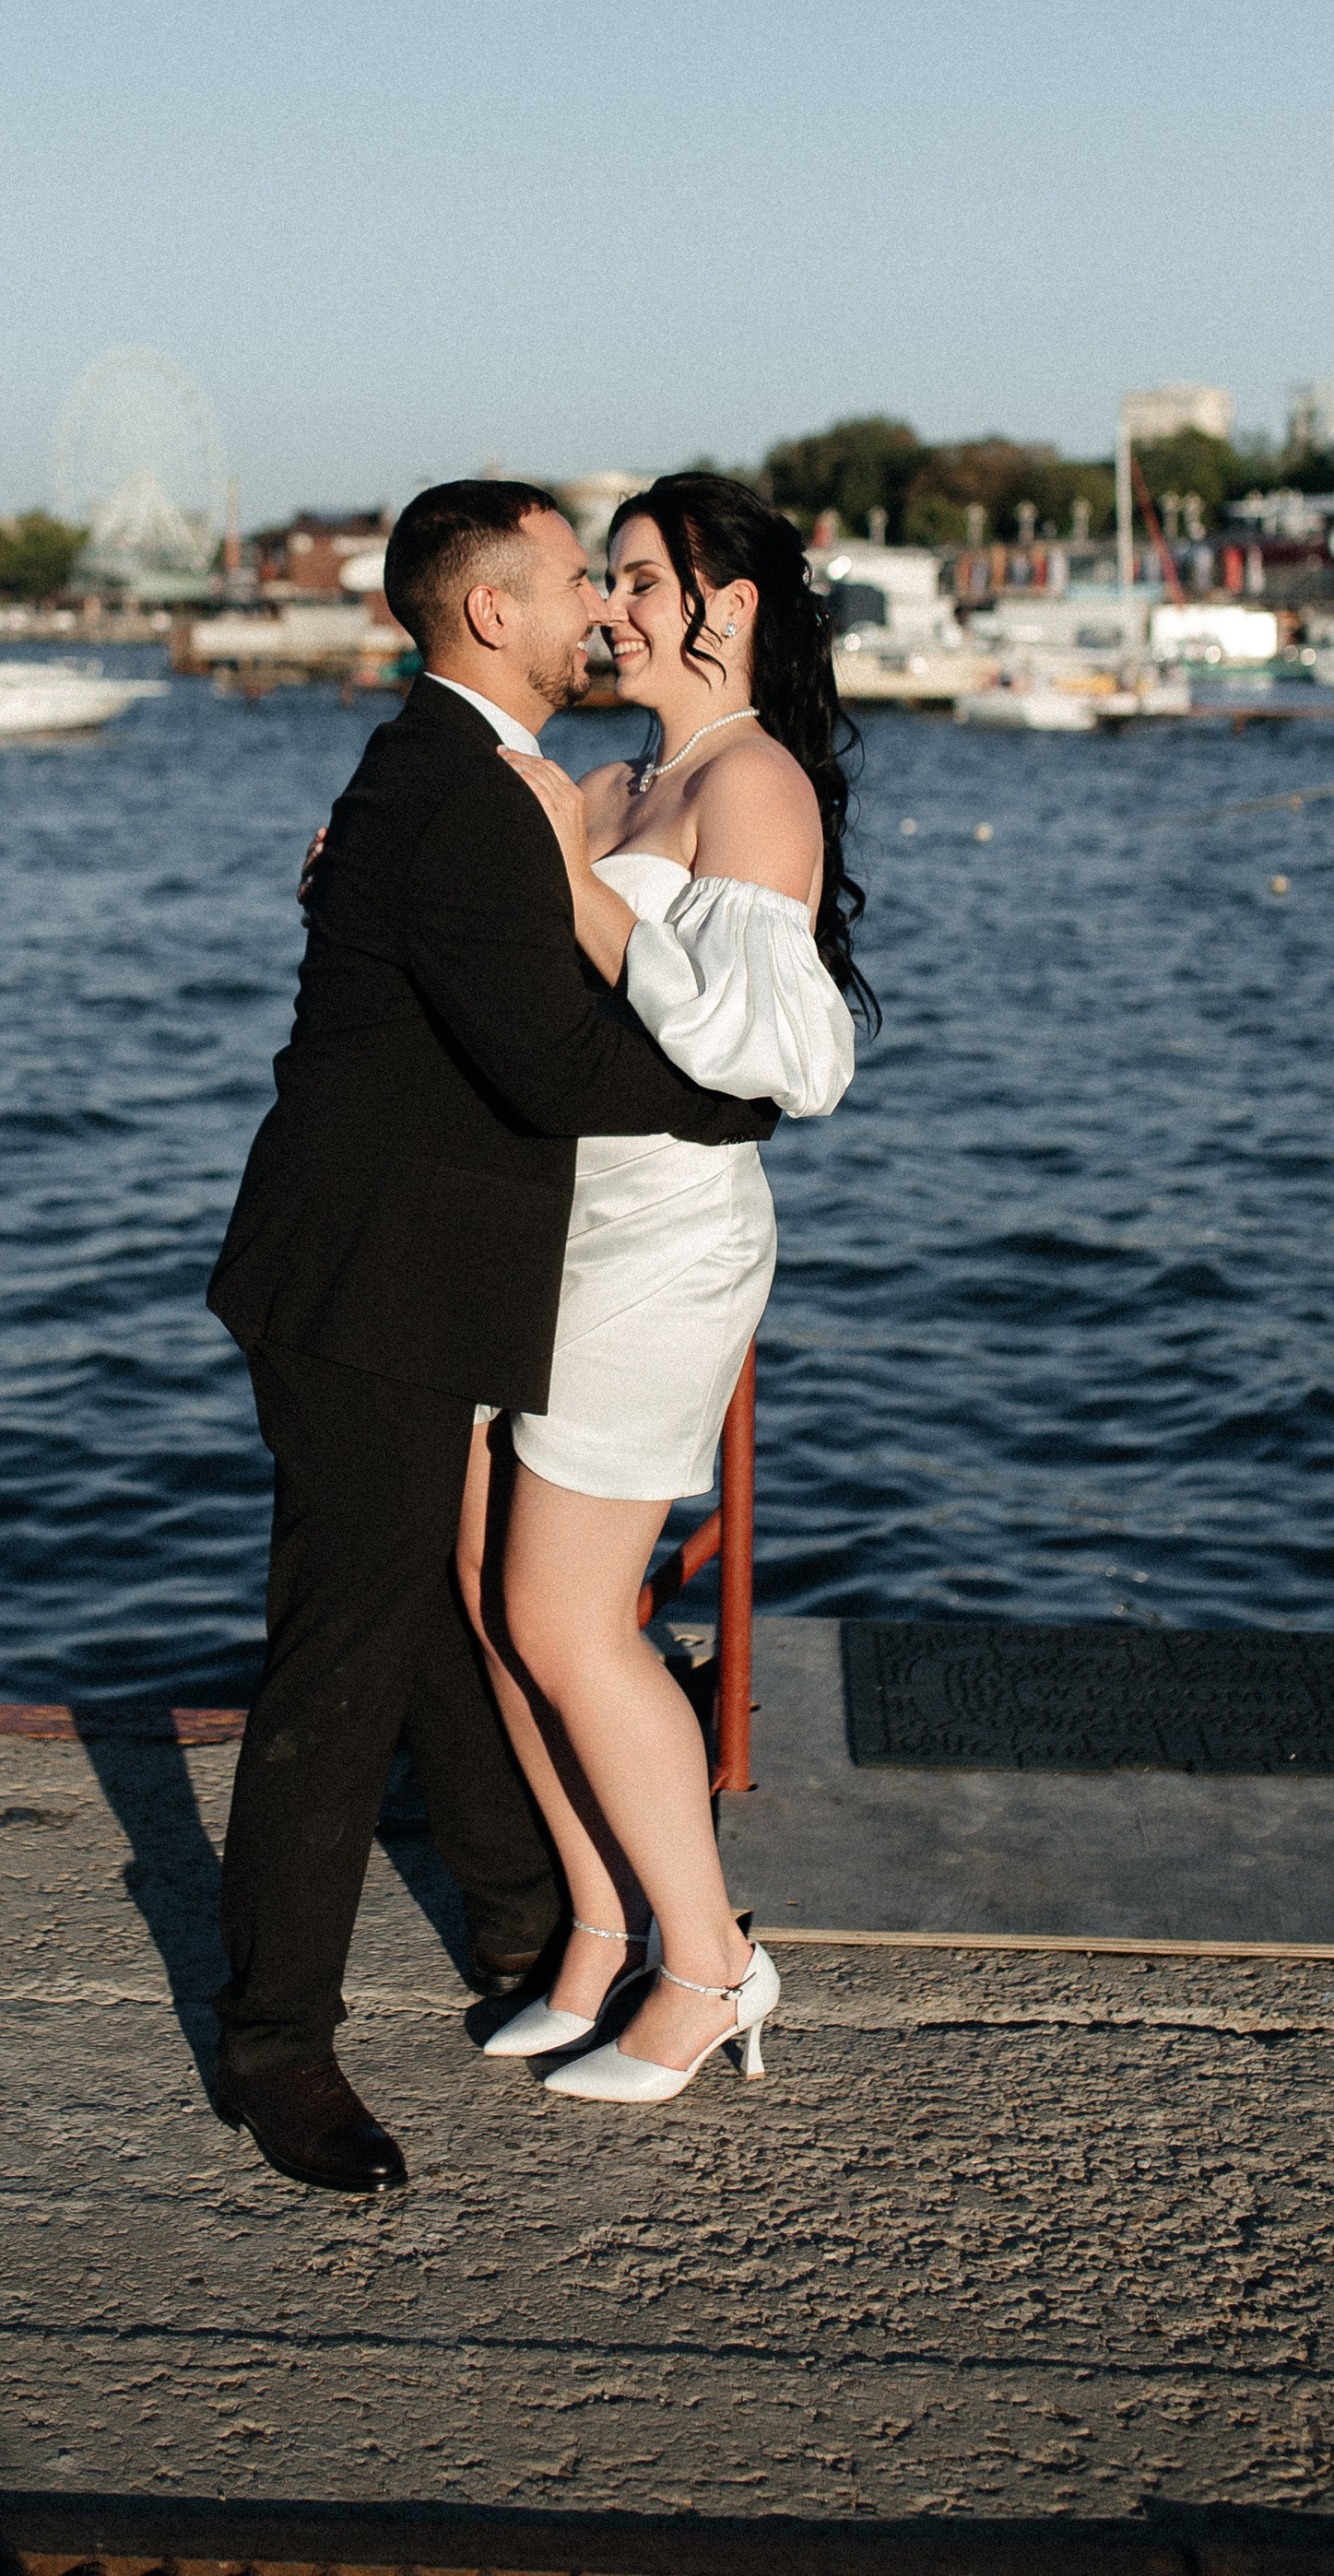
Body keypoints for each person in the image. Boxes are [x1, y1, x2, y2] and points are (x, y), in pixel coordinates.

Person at [205, 479, 779, 2194]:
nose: (600, 611)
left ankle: (540, 1920)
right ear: (487, 617)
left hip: (405, 1265)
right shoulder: (453, 793)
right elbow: (558, 1065)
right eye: (571, 588)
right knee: (341, 1657)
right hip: (369, 1287)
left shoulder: (455, 777)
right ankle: (275, 2054)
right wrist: (749, 1094)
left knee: (457, 1610)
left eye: (622, 586)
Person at [457, 474, 871, 2104]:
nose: (611, 608)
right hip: (538, 1224)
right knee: (494, 1593)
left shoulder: (752, 784)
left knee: (568, 1610)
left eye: (639, 579)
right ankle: (598, 1931)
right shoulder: (619, 772)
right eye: (608, 580)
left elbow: (777, 1049)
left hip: (664, 1239)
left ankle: (708, 1965)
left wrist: (563, 882)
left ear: (733, 603)